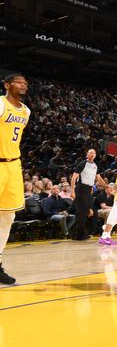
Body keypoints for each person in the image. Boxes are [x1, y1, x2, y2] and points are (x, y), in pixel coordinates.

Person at [0, 73, 30, 284]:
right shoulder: (1, 104)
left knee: (8, 217)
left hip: (13, 165)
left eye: (25, 83)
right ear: (7, 85)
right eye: (18, 82)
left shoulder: (26, 111)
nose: (23, 85)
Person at [70, 148, 105, 240]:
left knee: (92, 212)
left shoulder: (95, 165)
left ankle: (87, 232)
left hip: (89, 189)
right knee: (81, 213)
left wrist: (106, 186)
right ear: (87, 155)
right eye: (90, 152)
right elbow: (74, 178)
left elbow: (98, 178)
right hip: (81, 188)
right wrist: (72, 190)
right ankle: (78, 235)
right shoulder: (82, 164)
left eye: (94, 153)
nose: (92, 154)